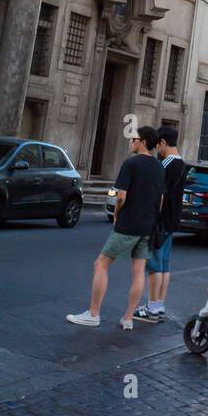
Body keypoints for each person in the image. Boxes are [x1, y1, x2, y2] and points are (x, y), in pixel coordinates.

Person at [67, 127, 165, 331]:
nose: (131, 143)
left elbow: (121, 196)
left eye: (134, 139)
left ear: (144, 142)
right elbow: (161, 199)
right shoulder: (159, 167)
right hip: (147, 225)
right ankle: (128, 318)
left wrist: (117, 214)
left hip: (128, 223)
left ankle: (93, 313)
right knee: (138, 272)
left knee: (100, 264)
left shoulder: (131, 163)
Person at [134, 125, 187, 324]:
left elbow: (160, 195)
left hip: (160, 221)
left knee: (155, 266)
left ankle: (152, 308)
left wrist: (151, 216)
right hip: (172, 220)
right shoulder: (181, 164)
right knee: (164, 266)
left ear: (163, 142)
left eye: (158, 145)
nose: (157, 149)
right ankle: (159, 305)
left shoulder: (165, 165)